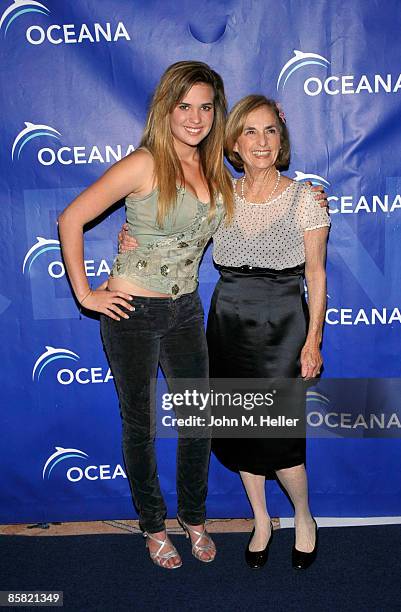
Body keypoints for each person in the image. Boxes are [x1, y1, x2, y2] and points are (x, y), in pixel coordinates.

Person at [57, 60, 234, 569]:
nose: (195, 118)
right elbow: (71, 217)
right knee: (140, 424)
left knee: (198, 421)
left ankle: (194, 518)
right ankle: (153, 526)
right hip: (132, 310)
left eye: (205, 107)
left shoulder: (215, 167)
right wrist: (86, 294)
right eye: (185, 106)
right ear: (166, 108)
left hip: (185, 310)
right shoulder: (143, 163)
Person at [207, 95, 330, 570]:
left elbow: (315, 275)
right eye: (250, 132)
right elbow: (172, 235)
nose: (261, 142)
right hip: (228, 323)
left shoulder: (305, 197)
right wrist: (129, 237)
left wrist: (313, 339)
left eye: (270, 131)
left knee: (279, 438)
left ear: (282, 139)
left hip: (282, 326)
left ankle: (304, 516)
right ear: (235, 142)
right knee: (240, 433)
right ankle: (260, 519)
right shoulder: (219, 195)